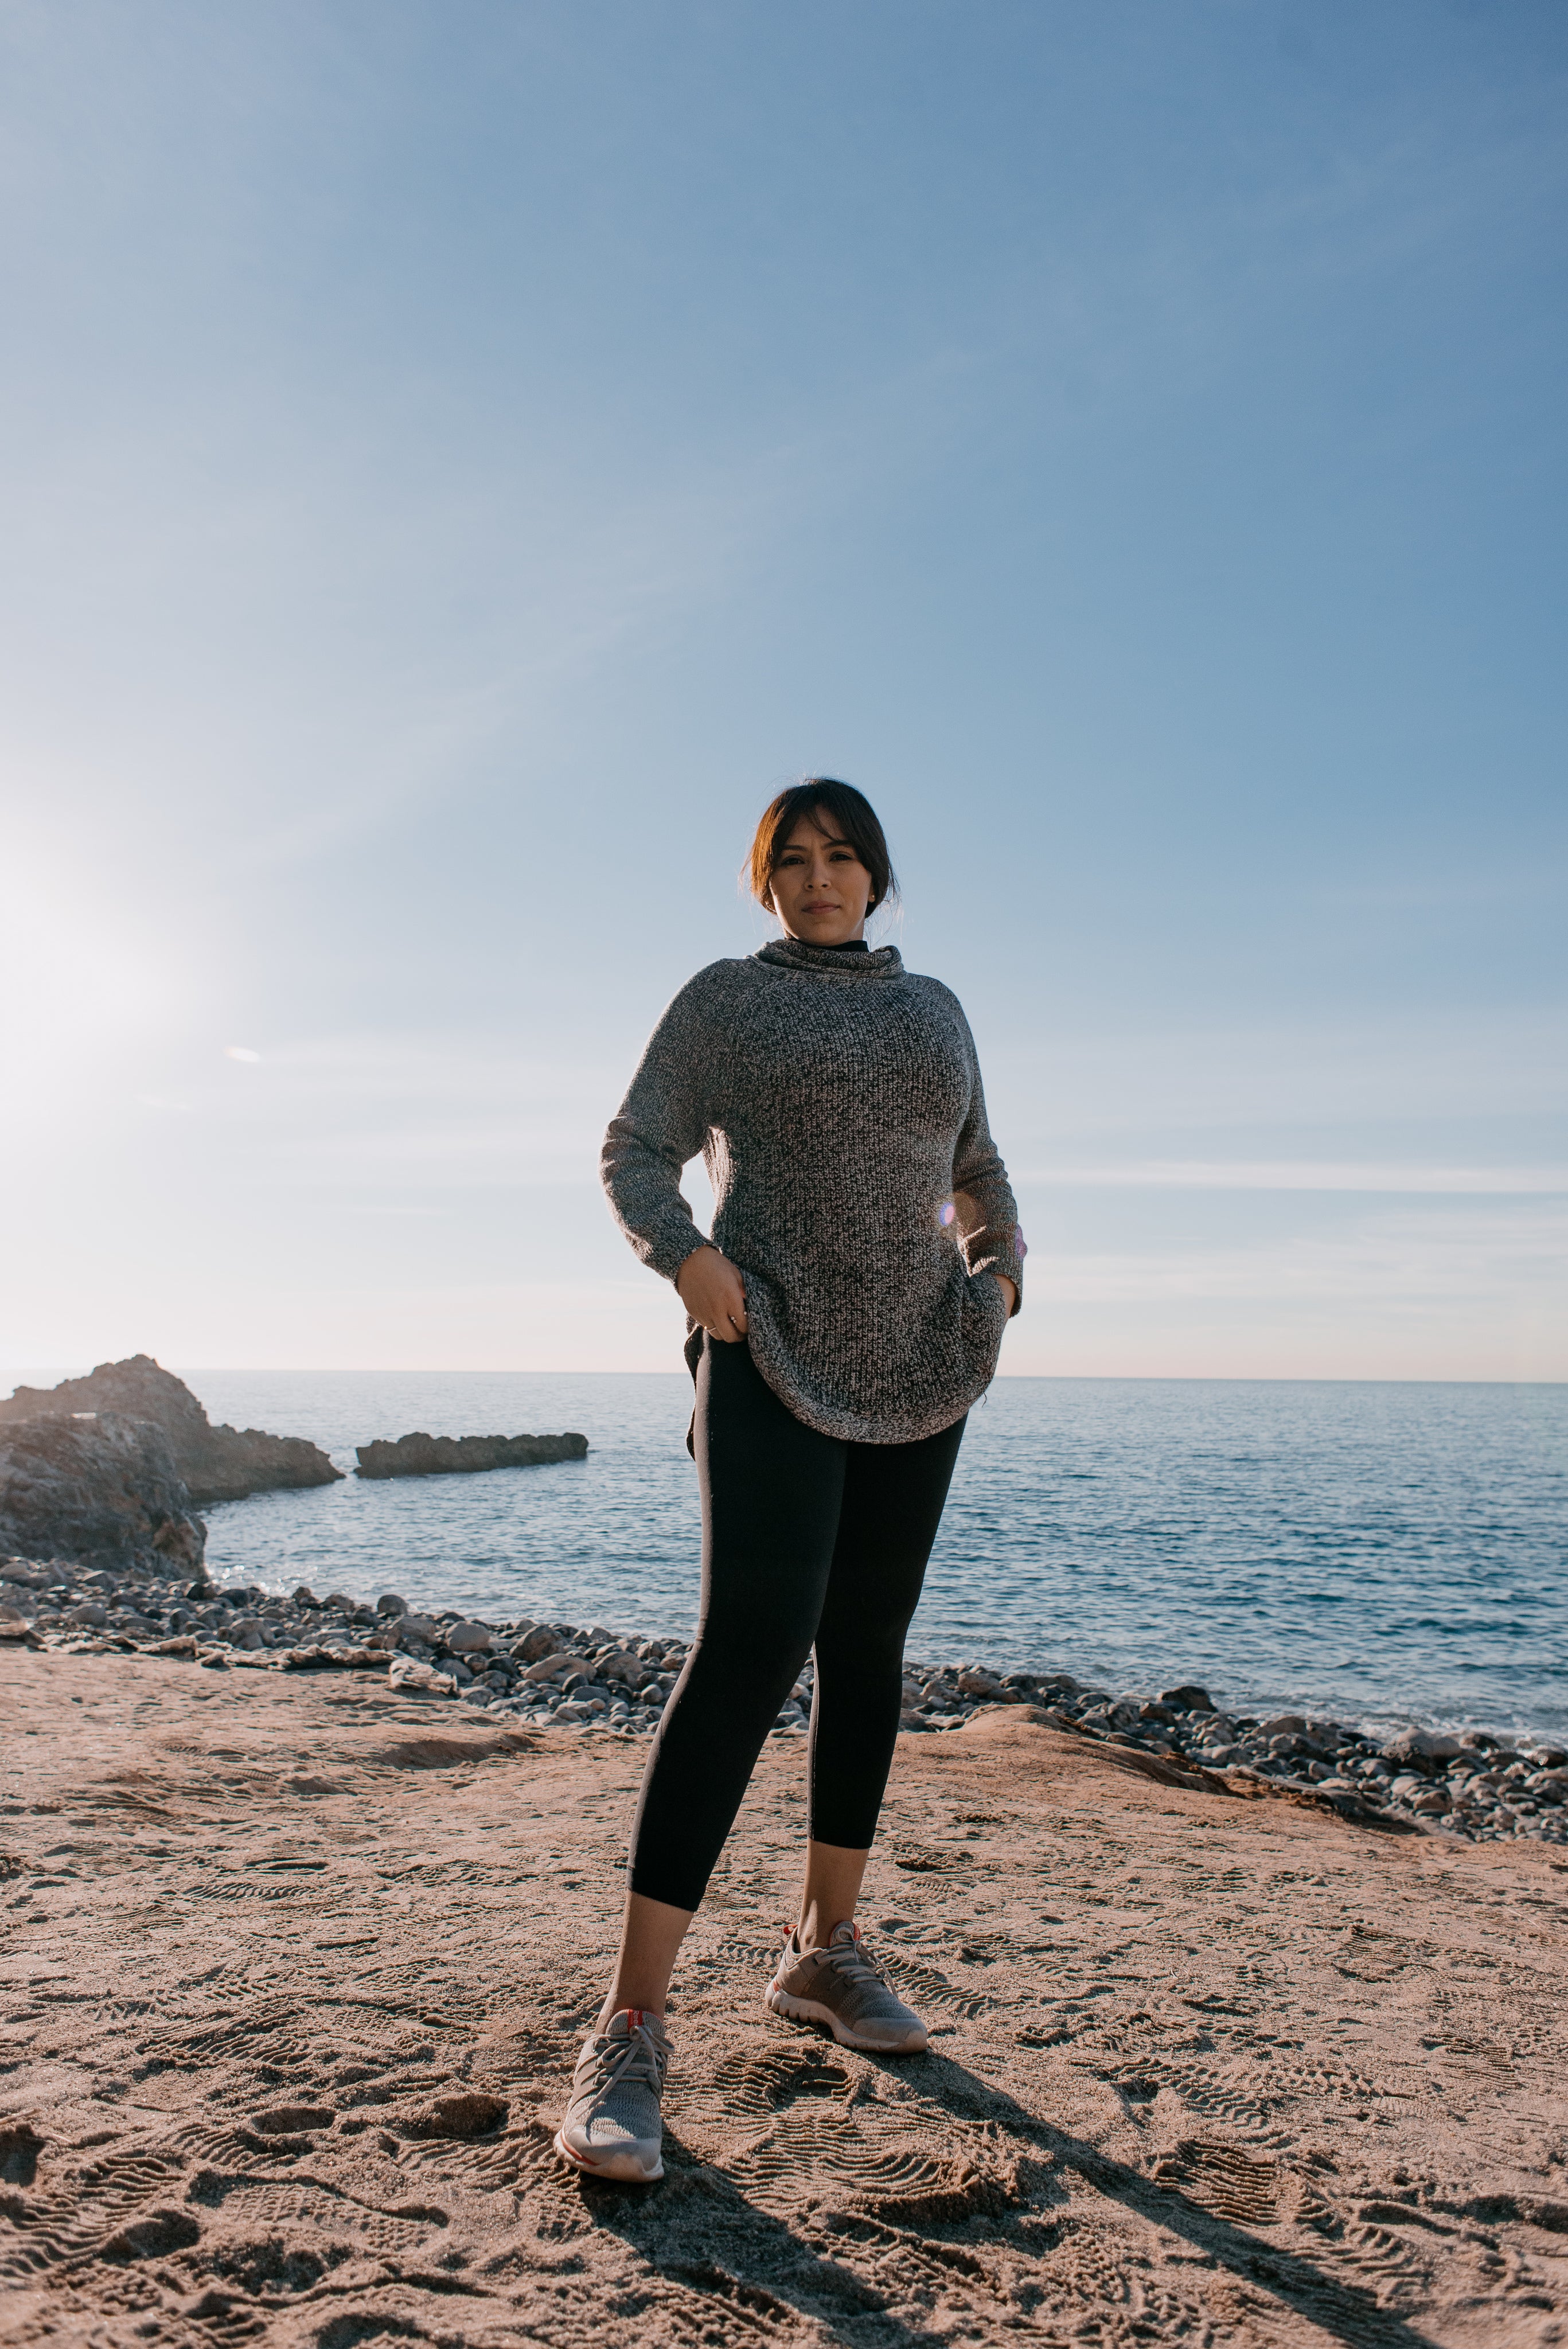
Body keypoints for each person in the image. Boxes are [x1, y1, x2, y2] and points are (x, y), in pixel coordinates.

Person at [555, 778, 1024, 2184]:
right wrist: (685, 1257)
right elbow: (632, 1148)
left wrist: (999, 1273)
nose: (821, 878)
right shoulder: (722, 1001)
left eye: (844, 856)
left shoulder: (933, 1008)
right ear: (765, 881)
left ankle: (824, 1949)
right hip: (764, 1350)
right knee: (745, 1656)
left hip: (921, 1362)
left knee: (865, 1653)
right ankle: (628, 2022)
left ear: (877, 875)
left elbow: (975, 1166)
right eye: (793, 859)